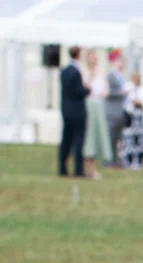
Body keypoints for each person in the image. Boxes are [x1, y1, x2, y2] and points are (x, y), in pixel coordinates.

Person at [57, 47, 88, 178]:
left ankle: (62, 168)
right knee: (78, 140)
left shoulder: (63, 71)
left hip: (66, 110)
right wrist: (87, 90)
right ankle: (78, 169)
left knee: (66, 140)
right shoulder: (76, 72)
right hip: (78, 111)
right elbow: (78, 91)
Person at [80, 48, 109, 175]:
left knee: (97, 136)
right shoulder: (83, 72)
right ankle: (86, 167)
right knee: (88, 136)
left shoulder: (101, 73)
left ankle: (93, 168)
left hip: (98, 105)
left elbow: (105, 91)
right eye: (90, 57)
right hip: (87, 105)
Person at [103, 51, 129, 167]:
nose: (122, 64)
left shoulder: (121, 76)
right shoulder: (110, 76)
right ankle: (108, 160)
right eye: (120, 61)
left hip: (120, 111)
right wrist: (121, 93)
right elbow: (107, 93)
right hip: (112, 112)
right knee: (111, 138)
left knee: (117, 138)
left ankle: (116, 159)